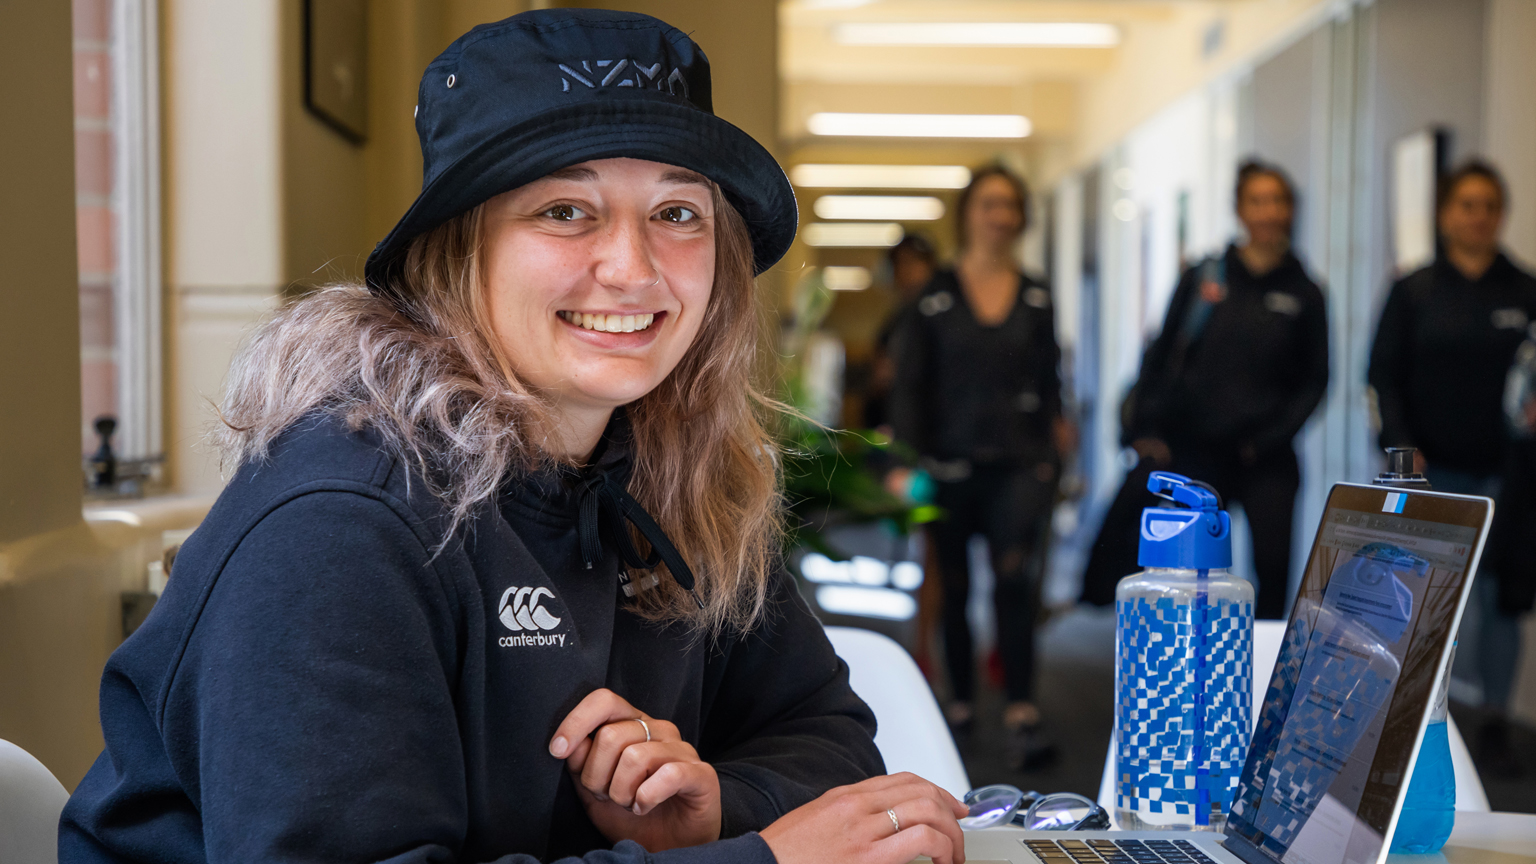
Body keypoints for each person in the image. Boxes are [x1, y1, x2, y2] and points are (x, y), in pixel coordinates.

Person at [58, 11, 969, 864]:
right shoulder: (340, 523)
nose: (632, 266)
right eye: (564, 211)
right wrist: (762, 858)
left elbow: (827, 731)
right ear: (458, 253)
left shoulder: (666, 482)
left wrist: (717, 806)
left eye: (677, 213)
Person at [889, 165, 1069, 765]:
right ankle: (960, 701)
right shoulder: (935, 297)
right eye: (989, 204)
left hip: (1019, 465)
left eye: (1010, 205)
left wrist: (1053, 455)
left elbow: (1051, 385)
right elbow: (910, 385)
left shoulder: (1037, 294)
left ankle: (1022, 704)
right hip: (947, 466)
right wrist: (905, 463)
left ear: (1021, 216)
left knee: (1014, 582)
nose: (1000, 216)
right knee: (957, 587)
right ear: (968, 212)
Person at [1368, 159, 1536, 768]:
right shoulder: (1413, 291)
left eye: (1490, 205)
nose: (1479, 216)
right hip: (1431, 474)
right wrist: (1404, 452)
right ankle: (1407, 720)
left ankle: (1493, 719)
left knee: (1501, 597)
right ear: (1445, 215)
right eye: (1467, 205)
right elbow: (1381, 377)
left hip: (1507, 475)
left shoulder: (1525, 290)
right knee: (1422, 598)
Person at [1122, 160, 1328, 621]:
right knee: (1190, 574)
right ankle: (1193, 663)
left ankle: (1262, 677)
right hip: (1197, 454)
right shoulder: (1205, 278)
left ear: (1290, 210)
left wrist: (1271, 437)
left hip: (1268, 458)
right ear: (1239, 209)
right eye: (1258, 200)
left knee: (1273, 571)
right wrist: (1146, 426)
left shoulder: (1306, 291)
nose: (1268, 211)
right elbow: (1160, 355)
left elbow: (1316, 380)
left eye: (1278, 201)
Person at [864, 233, 938, 431]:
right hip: (897, 424)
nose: (908, 271)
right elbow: (878, 381)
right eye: (901, 264)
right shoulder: (894, 324)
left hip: (935, 428)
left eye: (914, 262)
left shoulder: (944, 320)